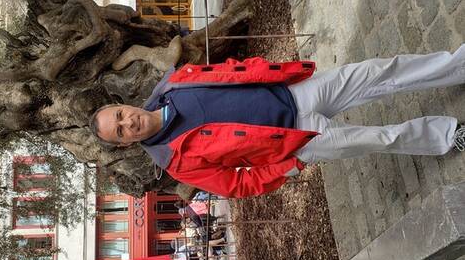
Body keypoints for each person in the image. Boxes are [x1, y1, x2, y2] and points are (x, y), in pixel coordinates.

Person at [90, 45, 465, 198]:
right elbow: (237, 185)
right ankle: (447, 136)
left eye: (120, 116)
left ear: (124, 105)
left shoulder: (175, 81)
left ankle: (456, 66)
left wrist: (268, 69)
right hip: (300, 140)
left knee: (378, 72)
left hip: (295, 93)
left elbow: (231, 70)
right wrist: (288, 166)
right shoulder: (177, 163)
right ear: (125, 144)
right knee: (381, 138)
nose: (128, 123)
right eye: (120, 132)